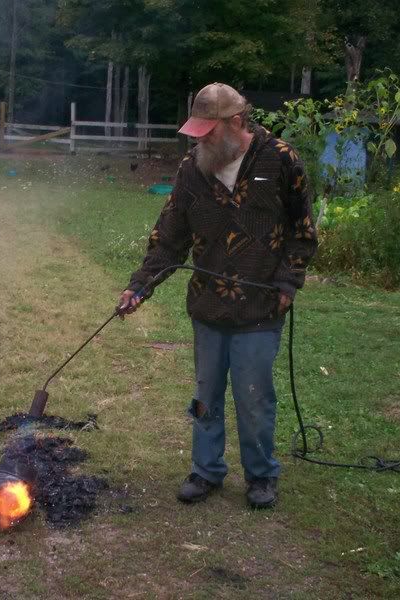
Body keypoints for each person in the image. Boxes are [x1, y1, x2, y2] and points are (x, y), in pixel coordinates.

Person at [117, 83, 317, 509]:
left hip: (261, 306)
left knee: (253, 394)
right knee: (205, 395)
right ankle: (206, 471)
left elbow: (303, 231)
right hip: (207, 305)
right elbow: (169, 238)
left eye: (208, 131)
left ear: (237, 123)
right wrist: (139, 286)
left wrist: (288, 282)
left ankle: (262, 476)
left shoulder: (280, 160)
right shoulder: (194, 168)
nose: (199, 139)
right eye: (196, 131)